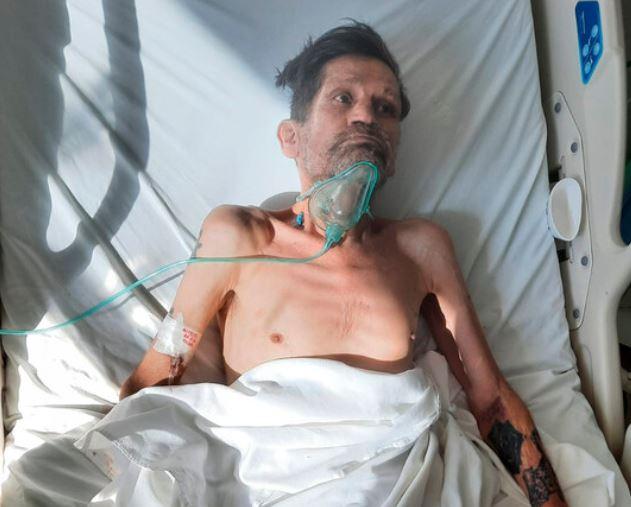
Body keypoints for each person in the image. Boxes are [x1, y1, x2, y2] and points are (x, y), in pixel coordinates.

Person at [120, 21, 566, 507]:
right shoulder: (240, 237)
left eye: (384, 108)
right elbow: (158, 375)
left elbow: (490, 397)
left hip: (397, 483)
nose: (366, 117)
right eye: (343, 98)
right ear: (290, 138)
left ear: (394, 152)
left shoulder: (421, 249)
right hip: (269, 483)